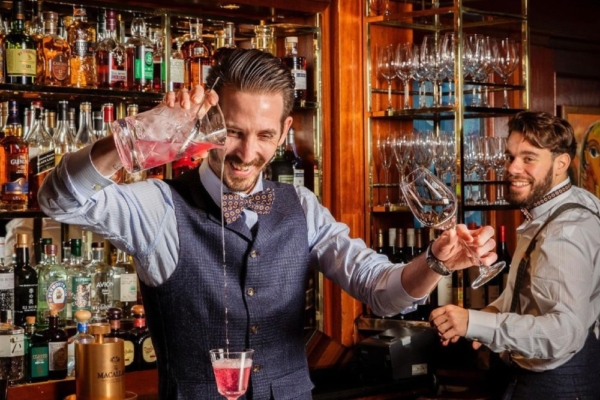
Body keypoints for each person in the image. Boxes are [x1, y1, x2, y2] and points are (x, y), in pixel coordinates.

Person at [39, 48, 498, 400]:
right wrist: (134, 137)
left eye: (263, 136)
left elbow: (381, 289)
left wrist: (435, 262)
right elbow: (58, 199)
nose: (246, 153)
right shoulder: (159, 207)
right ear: (207, 123)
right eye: (234, 132)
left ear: (284, 133)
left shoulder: (300, 203)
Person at [430, 111, 600, 399]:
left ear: (561, 163)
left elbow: (562, 332)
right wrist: (490, 313)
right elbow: (534, 297)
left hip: (557, 385)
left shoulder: (563, 232)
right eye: (510, 157)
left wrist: (473, 323)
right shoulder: (569, 203)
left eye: (529, 158)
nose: (512, 168)